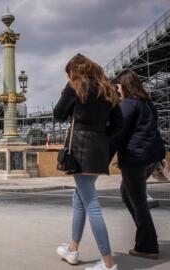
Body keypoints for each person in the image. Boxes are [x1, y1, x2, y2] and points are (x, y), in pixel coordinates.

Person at [53, 54, 123, 270]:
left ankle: (108, 263)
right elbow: (118, 124)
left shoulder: (75, 85)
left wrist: (65, 92)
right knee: (80, 199)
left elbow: (58, 115)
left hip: (80, 150)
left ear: (73, 71)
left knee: (91, 204)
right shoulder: (107, 88)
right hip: (99, 150)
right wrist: (101, 137)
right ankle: (72, 250)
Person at [111, 69, 165, 260]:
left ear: (124, 85)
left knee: (137, 201)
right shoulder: (148, 104)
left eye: (118, 85)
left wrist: (103, 158)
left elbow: (118, 133)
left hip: (135, 159)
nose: (117, 88)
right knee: (128, 194)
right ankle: (147, 235)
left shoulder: (129, 104)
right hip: (150, 157)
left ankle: (148, 245)